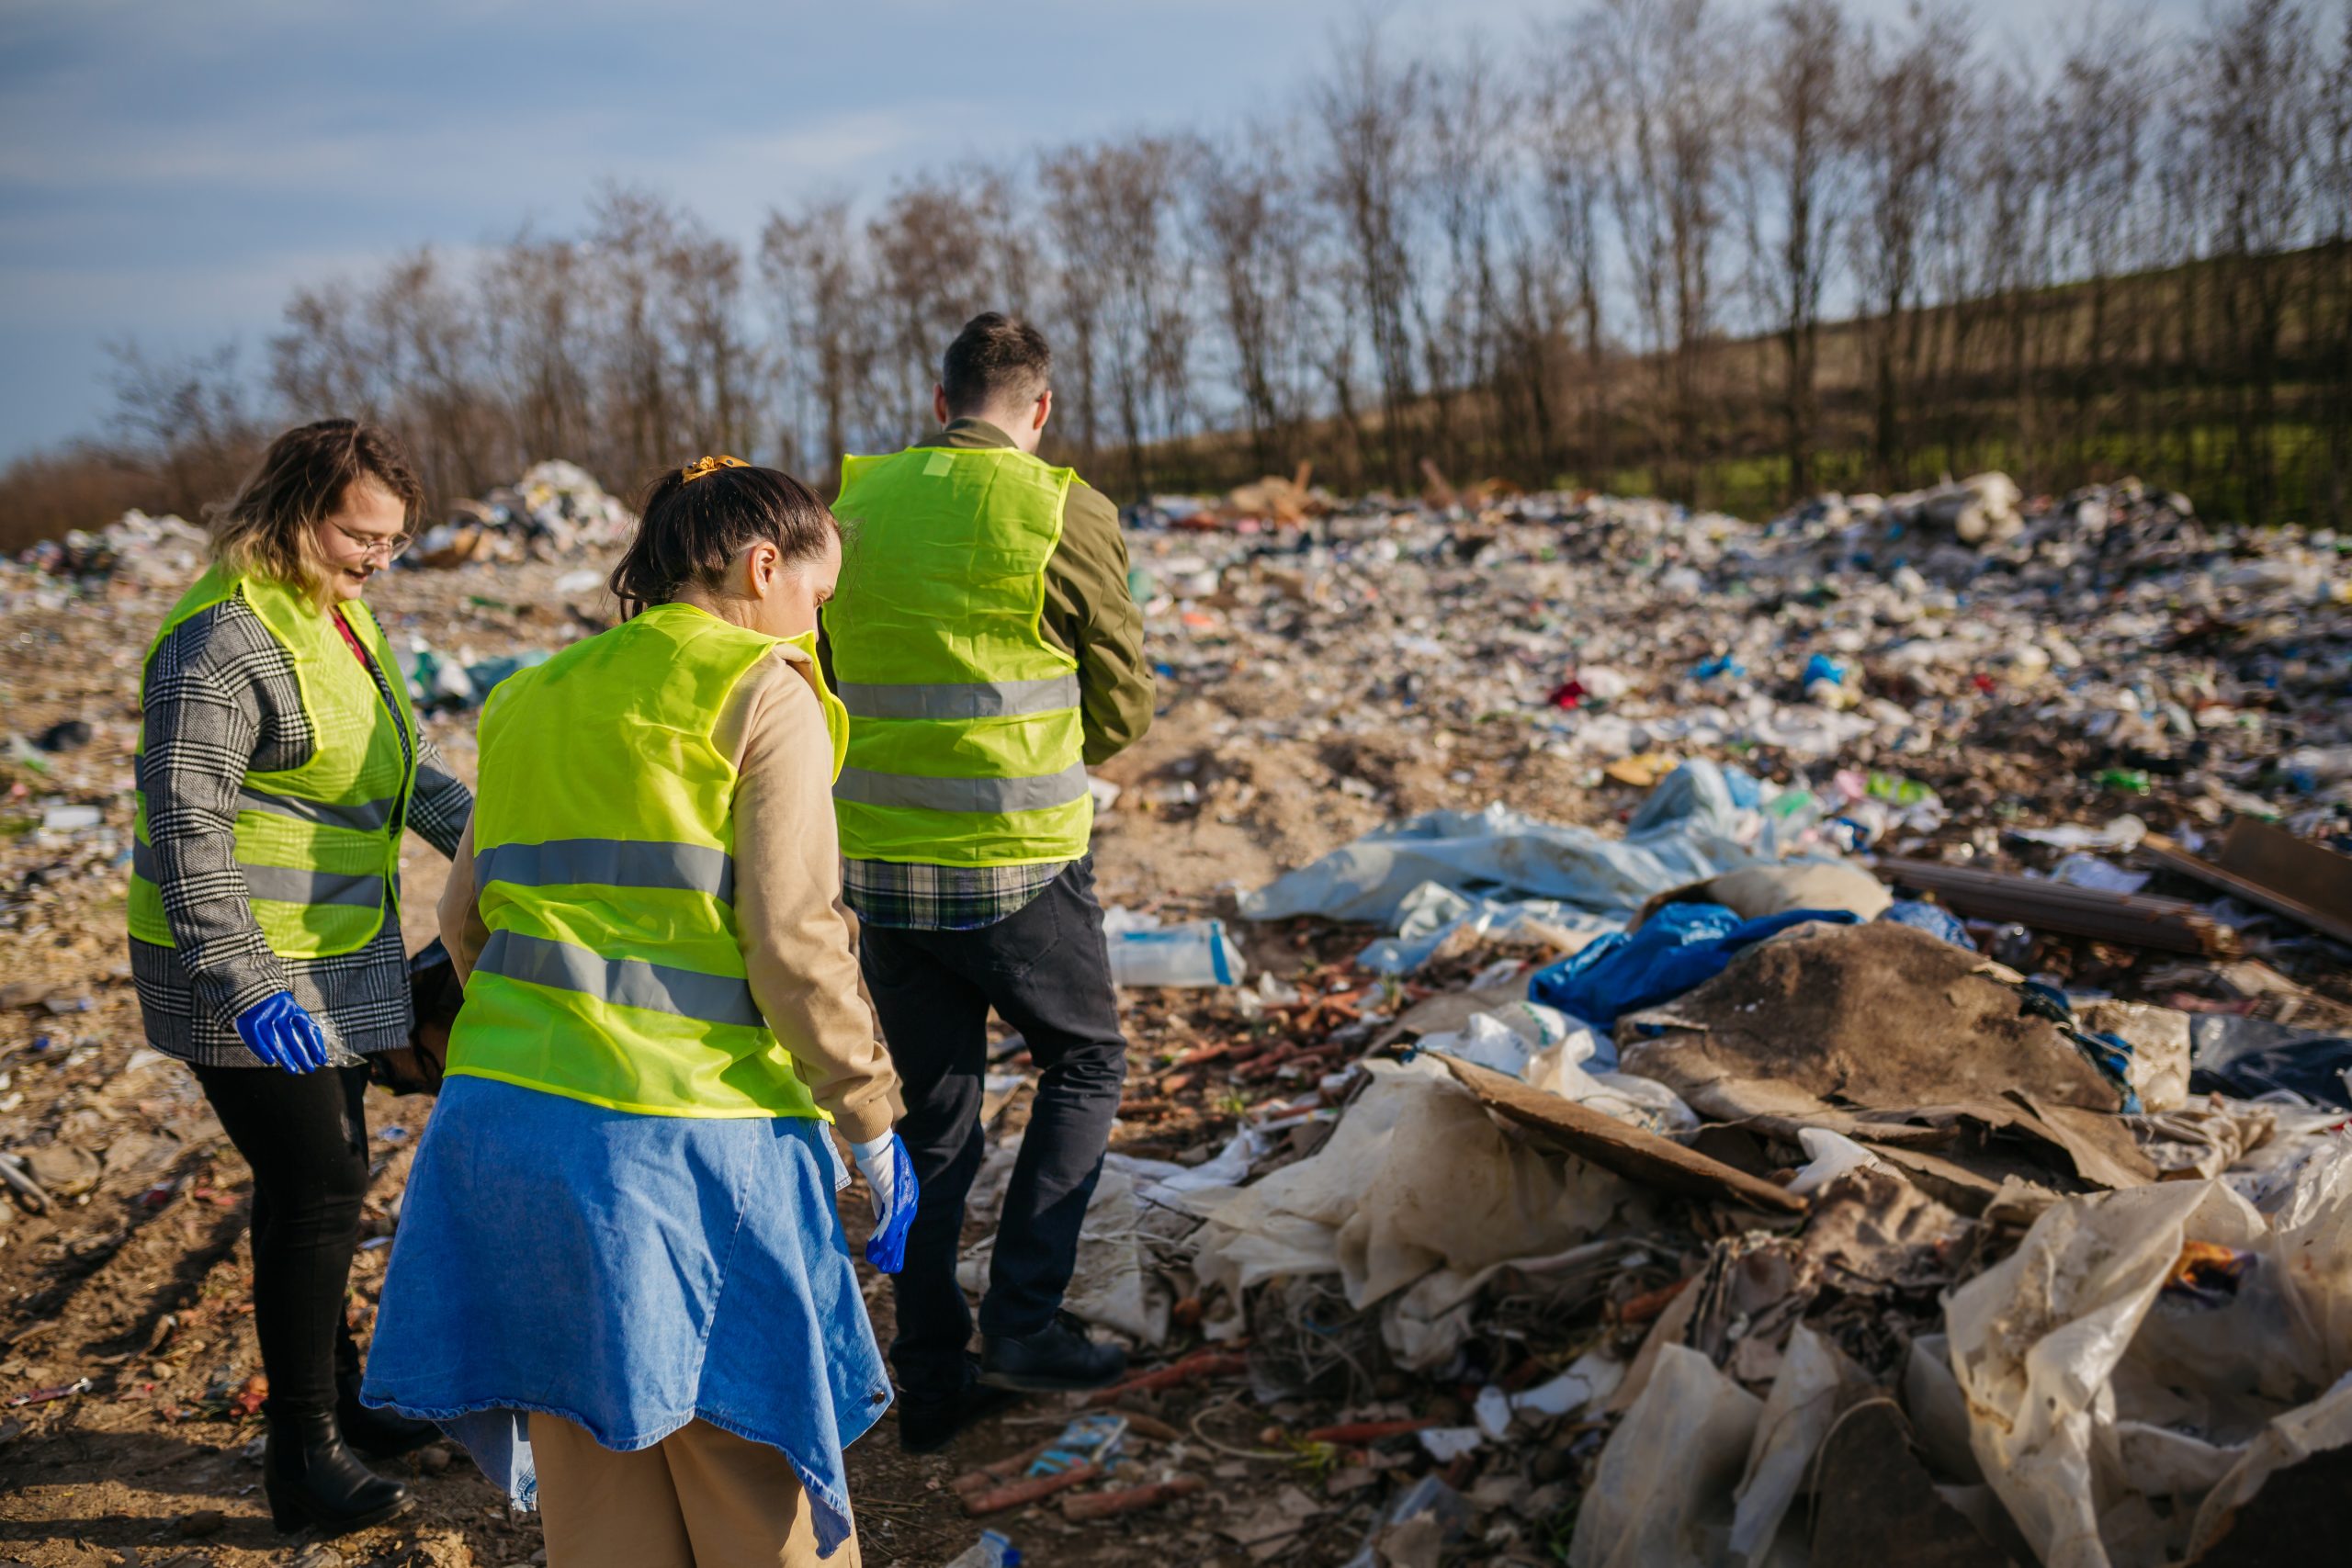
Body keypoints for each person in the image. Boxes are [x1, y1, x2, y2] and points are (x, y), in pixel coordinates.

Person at [363, 457, 914, 1567]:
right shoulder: (766, 692)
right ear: (765, 567)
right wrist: (869, 1117)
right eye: (818, 595)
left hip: (503, 1139)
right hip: (688, 1152)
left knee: (597, 1499)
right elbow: (794, 941)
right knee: (755, 1485)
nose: (817, 623)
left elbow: (464, 918)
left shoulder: (530, 695)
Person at [128, 418, 470, 1535]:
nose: (375, 557)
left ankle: (347, 1406)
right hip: (235, 970)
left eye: (393, 541)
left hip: (331, 960)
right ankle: (303, 1454)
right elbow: (187, 827)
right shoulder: (219, 640)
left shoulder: (343, 622)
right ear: (287, 512)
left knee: (324, 1182)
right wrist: (241, 976)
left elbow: (399, 777)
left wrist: (499, 847)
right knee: (320, 1182)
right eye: (355, 534)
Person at [825, 312, 1154, 1452]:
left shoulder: (851, 507)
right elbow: (1121, 695)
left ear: (938, 401)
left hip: (880, 869)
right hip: (1018, 864)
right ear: (1041, 409)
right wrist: (1060, 758)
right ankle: (1021, 1325)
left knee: (933, 1120)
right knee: (1087, 1061)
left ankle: (929, 1376)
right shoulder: (1061, 508)